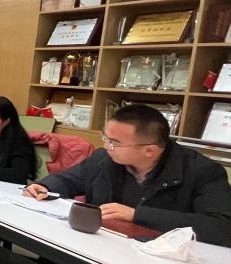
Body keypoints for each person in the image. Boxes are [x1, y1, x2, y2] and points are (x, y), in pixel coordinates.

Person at [25, 104, 231, 247]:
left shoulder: (202, 172)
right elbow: (70, 179)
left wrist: (136, 215)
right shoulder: (104, 158)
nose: (107, 146)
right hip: (101, 246)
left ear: (149, 150)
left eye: (114, 142)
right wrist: (46, 186)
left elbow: (221, 228)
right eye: (105, 137)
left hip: (161, 261)